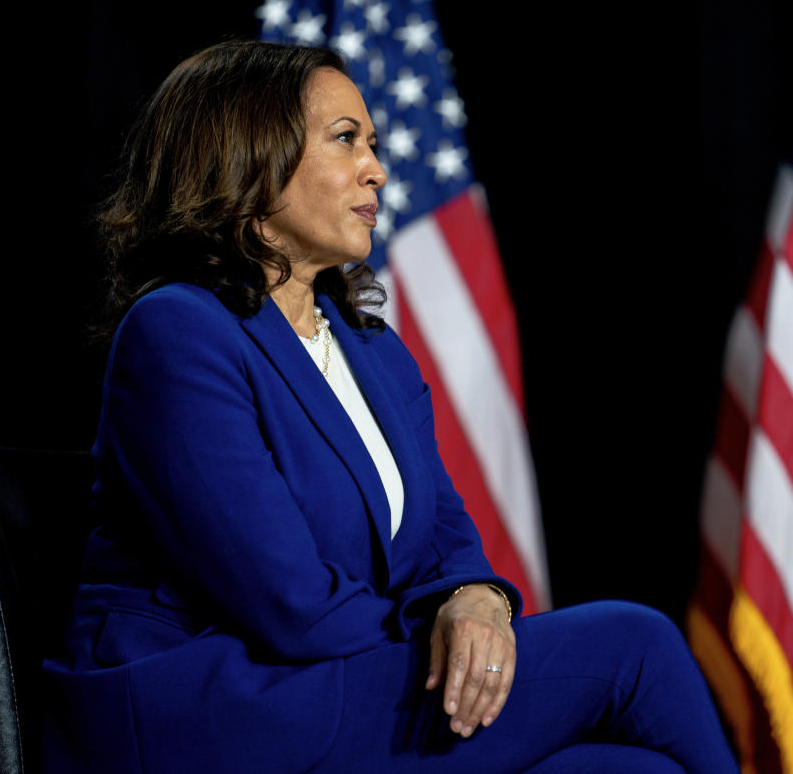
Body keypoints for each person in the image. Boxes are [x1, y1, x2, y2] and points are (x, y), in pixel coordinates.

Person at [43, 40, 737, 773]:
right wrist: (439, 629)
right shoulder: (179, 332)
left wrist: (476, 600)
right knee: (634, 644)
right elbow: (289, 602)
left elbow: (444, 533)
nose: (376, 168)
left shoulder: (370, 349)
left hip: (339, 686)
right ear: (249, 154)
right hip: (215, 710)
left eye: (372, 143)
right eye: (346, 140)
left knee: (631, 771)